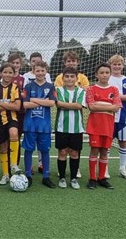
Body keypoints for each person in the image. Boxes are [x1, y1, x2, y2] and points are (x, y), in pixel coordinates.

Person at [54, 50, 89, 179]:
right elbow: (58, 104)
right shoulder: (58, 88)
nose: (69, 79)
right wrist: (70, 104)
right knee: (62, 151)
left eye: (72, 77)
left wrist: (64, 104)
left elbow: (80, 106)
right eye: (67, 77)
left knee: (75, 152)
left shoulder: (80, 90)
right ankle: (62, 177)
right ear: (63, 78)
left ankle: (74, 176)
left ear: (76, 78)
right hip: (61, 126)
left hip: (76, 127)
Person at [86, 63, 121, 190]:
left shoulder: (114, 90)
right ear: (96, 75)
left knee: (104, 152)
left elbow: (117, 107)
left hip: (108, 126)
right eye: (101, 72)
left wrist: (101, 106)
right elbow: (91, 106)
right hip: (95, 125)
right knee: (94, 150)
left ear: (110, 74)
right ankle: (92, 178)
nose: (104, 75)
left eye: (107, 72)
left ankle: (102, 178)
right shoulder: (91, 89)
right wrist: (109, 106)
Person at [22, 61, 57, 188]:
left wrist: (33, 100)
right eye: (38, 71)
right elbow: (25, 104)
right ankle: (28, 175)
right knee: (28, 149)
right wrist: (43, 101)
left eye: (43, 71)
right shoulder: (28, 86)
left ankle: (46, 177)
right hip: (30, 124)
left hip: (44, 125)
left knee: (45, 150)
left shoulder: (51, 86)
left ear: (46, 71)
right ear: (34, 71)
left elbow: (52, 103)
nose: (40, 73)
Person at [108, 54, 126, 180]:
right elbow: (105, 96)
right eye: (114, 64)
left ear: (123, 66)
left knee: (123, 142)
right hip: (108, 116)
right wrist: (124, 95)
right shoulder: (107, 79)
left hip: (124, 118)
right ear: (110, 65)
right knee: (106, 144)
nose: (117, 66)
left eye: (119, 64)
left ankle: (123, 168)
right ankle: (105, 169)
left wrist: (116, 95)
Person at [0, 63, 21, 186]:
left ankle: (13, 165)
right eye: (5, 72)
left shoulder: (15, 87)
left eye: (10, 72)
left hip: (12, 119)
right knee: (3, 147)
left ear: (14, 74)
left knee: (14, 133)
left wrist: (1, 104)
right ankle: (5, 175)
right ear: (0, 74)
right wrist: (10, 105)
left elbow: (17, 107)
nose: (8, 75)